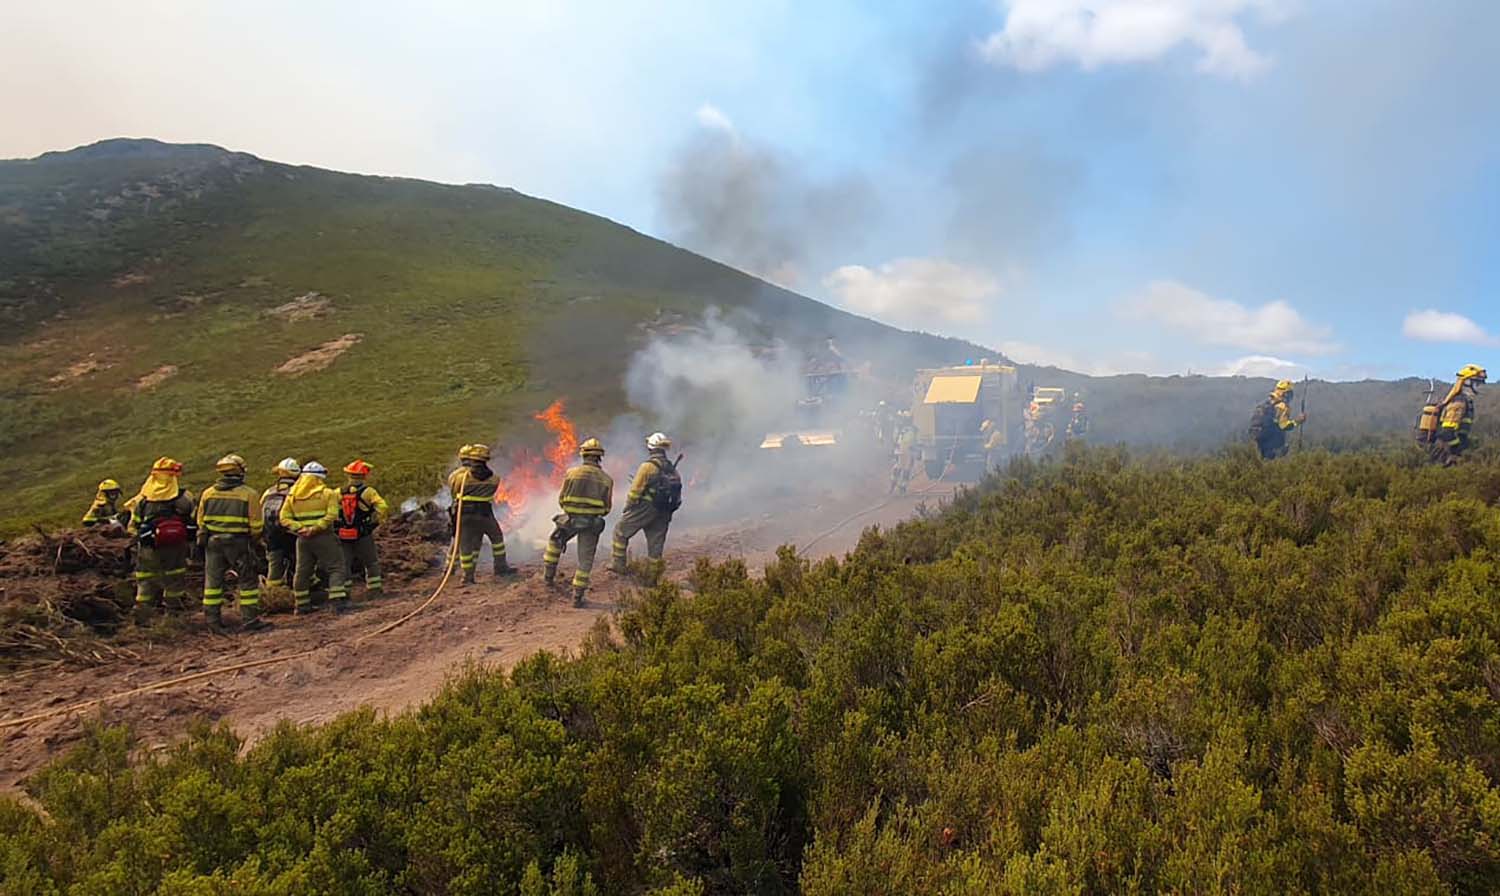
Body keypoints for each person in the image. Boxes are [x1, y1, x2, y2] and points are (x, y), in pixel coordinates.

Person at [196, 454, 266, 632]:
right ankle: (250, 620)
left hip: (213, 542)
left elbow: (201, 522)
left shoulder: (208, 493)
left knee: (212, 582)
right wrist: (255, 543)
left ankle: (212, 622)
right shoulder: (249, 494)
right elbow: (256, 525)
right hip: (238, 542)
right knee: (248, 581)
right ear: (240, 472)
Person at [543, 438, 614, 607]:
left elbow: (562, 499)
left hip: (570, 519)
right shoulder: (606, 479)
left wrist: (572, 510)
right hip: (591, 523)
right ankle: (577, 597)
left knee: (554, 542)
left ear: (583, 455)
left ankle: (548, 577)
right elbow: (607, 508)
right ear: (599, 457)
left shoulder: (572, 473)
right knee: (585, 560)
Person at [126, 457, 196, 626]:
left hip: (148, 548)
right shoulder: (184, 497)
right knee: (174, 580)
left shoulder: (141, 501)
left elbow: (132, 527)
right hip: (175, 547)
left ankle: (142, 618)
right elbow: (192, 521)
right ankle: (173, 616)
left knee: (145, 582)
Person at [278, 461, 350, 614]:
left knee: (302, 571)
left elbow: (284, 518)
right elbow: (332, 515)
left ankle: (301, 605)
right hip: (324, 536)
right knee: (336, 567)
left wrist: (301, 529)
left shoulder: (292, 495)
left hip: (302, 539)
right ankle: (337, 603)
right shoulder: (327, 493)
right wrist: (316, 528)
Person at [611, 432, 683, 579]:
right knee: (656, 547)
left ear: (650, 448)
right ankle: (652, 579)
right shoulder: (672, 468)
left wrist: (628, 508)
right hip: (664, 511)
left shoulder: (647, 467)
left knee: (620, 531)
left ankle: (618, 566)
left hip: (645, 508)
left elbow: (634, 492)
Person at [447, 443, 517, 585]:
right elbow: (491, 491)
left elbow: (454, 492)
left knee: (465, 545)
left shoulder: (460, 477)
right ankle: (500, 567)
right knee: (497, 538)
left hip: (465, 515)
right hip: (485, 514)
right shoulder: (494, 479)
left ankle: (467, 577)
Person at [337, 459, 390, 598]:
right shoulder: (368, 492)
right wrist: (379, 521)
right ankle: (374, 589)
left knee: (345, 563)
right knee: (371, 561)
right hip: (363, 533)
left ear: (348, 475)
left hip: (343, 534)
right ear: (364, 476)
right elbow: (383, 507)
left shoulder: (338, 492)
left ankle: (345, 592)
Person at [1430, 364, 1486, 467]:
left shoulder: (1465, 401)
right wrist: (1456, 451)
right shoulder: (1459, 402)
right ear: (1467, 383)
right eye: (1477, 383)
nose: (1479, 387)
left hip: (1448, 456)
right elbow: (1447, 431)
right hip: (1444, 458)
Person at [260, 458, 301, 587]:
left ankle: (273, 592)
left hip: (271, 535)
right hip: (292, 533)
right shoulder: (298, 490)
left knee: (274, 565)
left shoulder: (269, 491)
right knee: (300, 564)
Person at [1249, 380, 1306, 460]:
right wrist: (1297, 421)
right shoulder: (1282, 406)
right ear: (1286, 393)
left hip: (1258, 438)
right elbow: (1284, 426)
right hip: (1272, 442)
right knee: (1273, 462)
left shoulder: (1268, 402)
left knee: (1262, 460)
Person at [890, 423, 917, 494]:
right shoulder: (913, 430)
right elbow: (916, 443)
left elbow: (895, 441)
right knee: (906, 470)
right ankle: (902, 488)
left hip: (900, 451)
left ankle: (892, 486)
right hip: (908, 452)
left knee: (898, 468)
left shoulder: (899, 429)